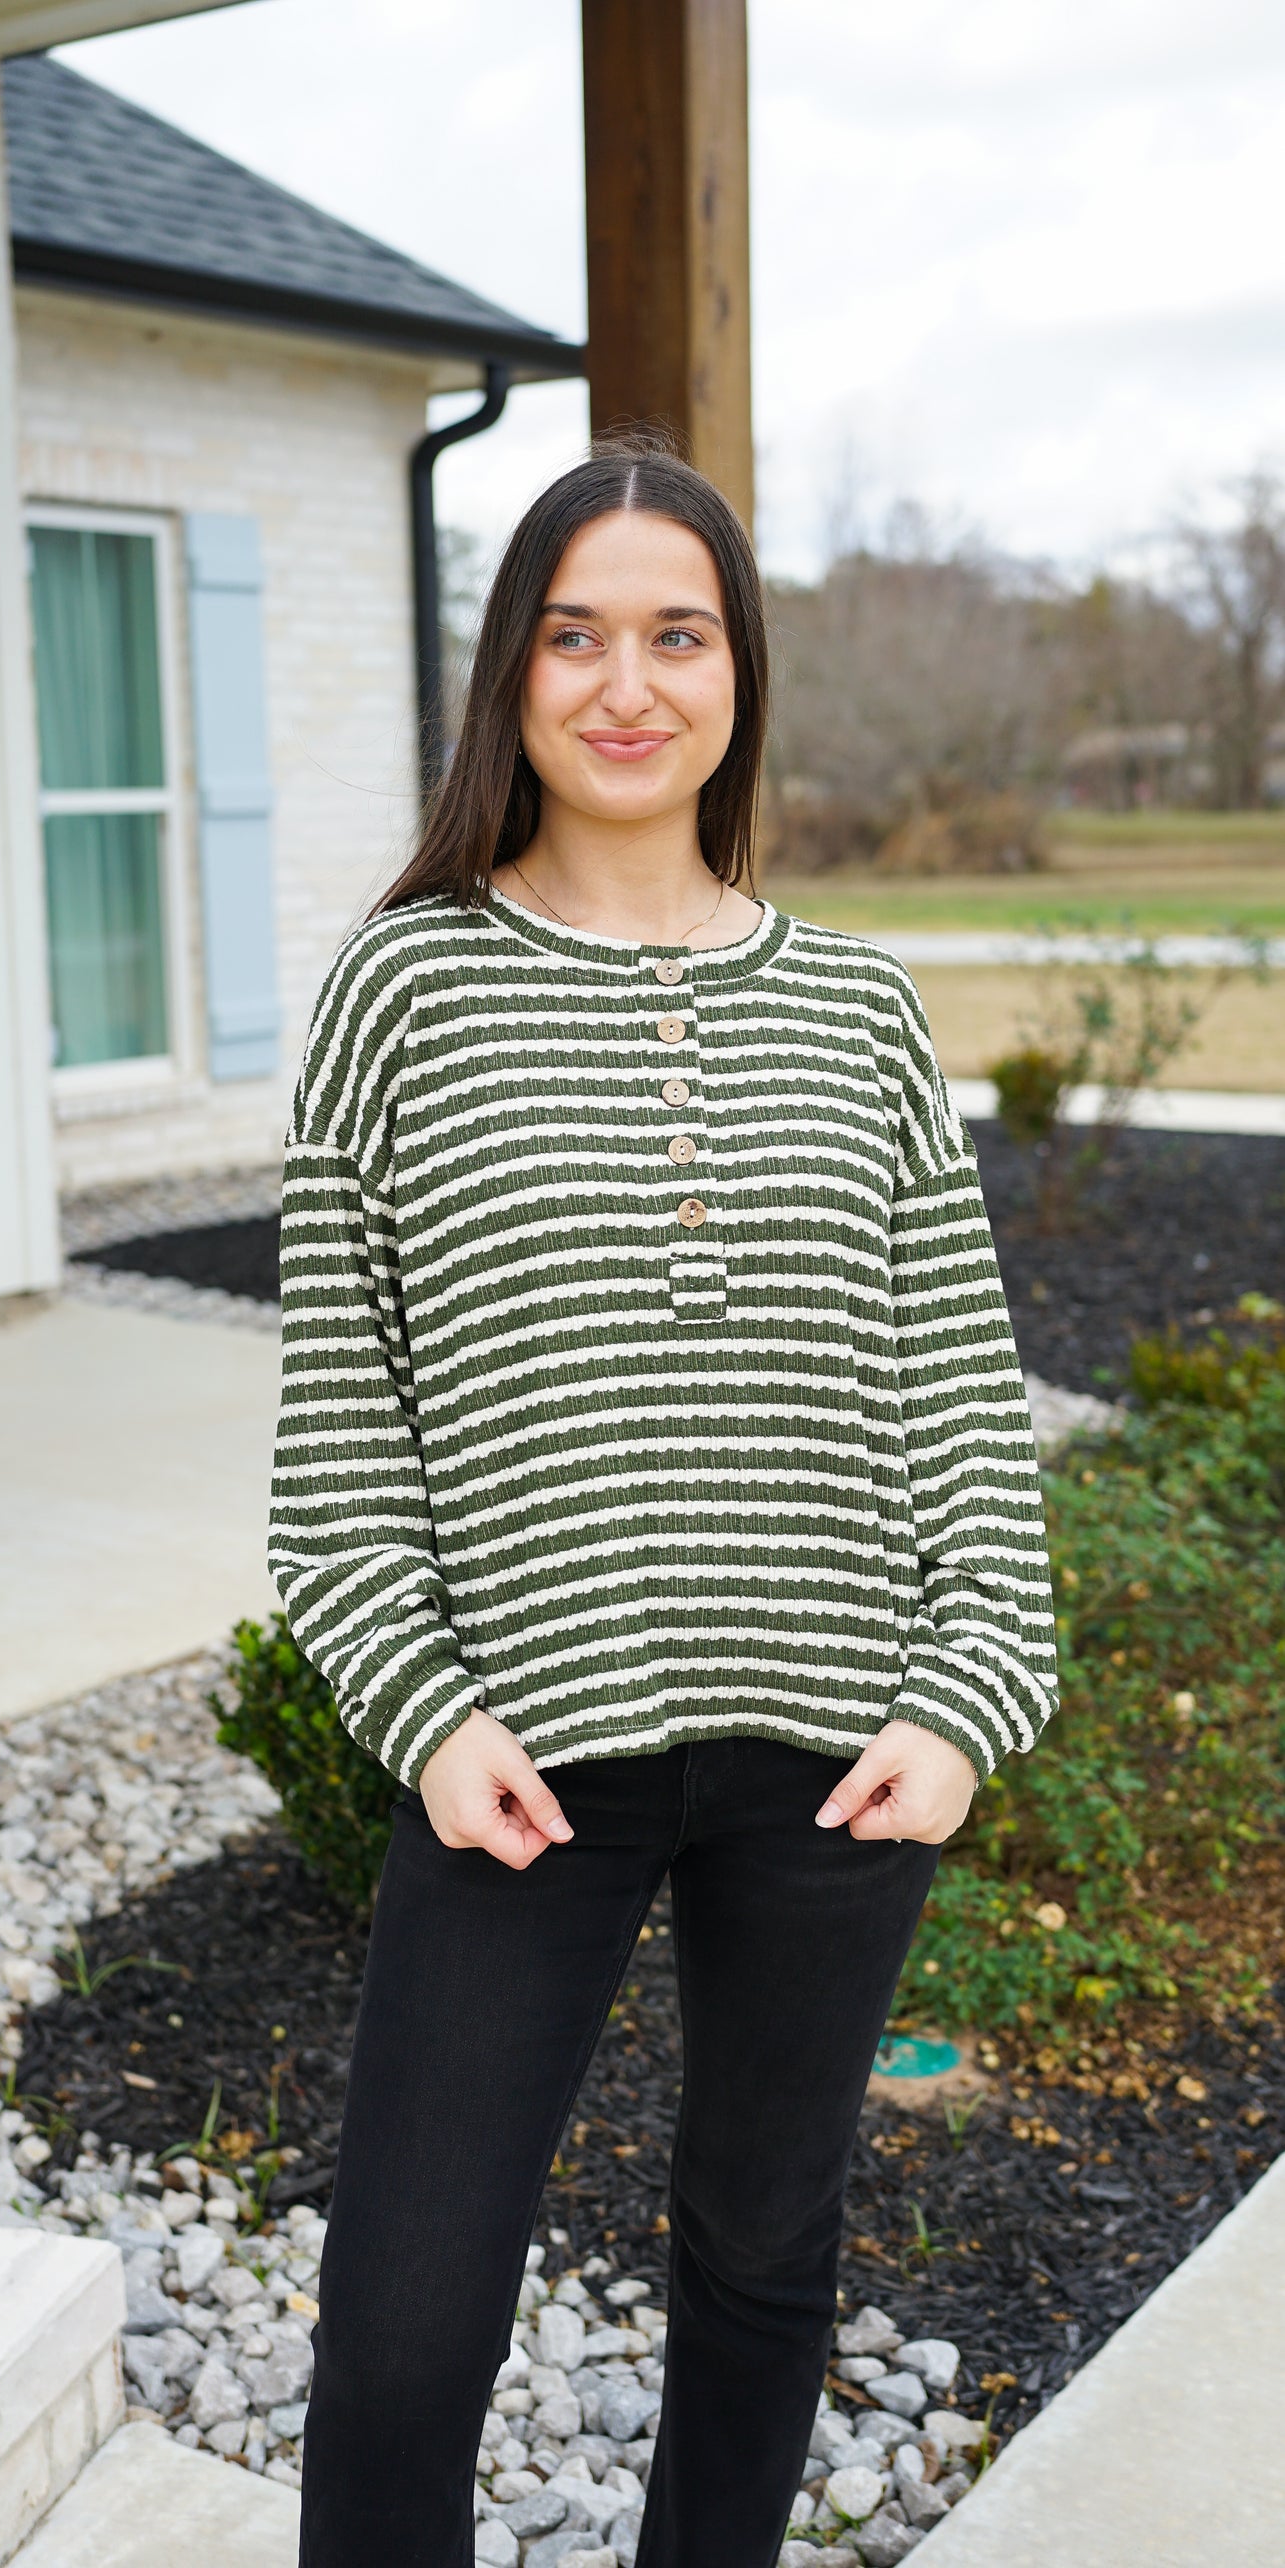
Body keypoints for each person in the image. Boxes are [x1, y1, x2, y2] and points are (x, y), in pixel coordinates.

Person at [268, 441, 1056, 2568]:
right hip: (518, 1768)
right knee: (407, 2321)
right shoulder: (403, 992)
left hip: (834, 1762)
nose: (628, 683)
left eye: (676, 633)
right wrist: (427, 1713)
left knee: (757, 2259)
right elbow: (339, 1467)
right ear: (511, 677)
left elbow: (967, 1416)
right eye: (575, 633)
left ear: (739, 669)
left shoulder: (858, 1009)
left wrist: (968, 1695)